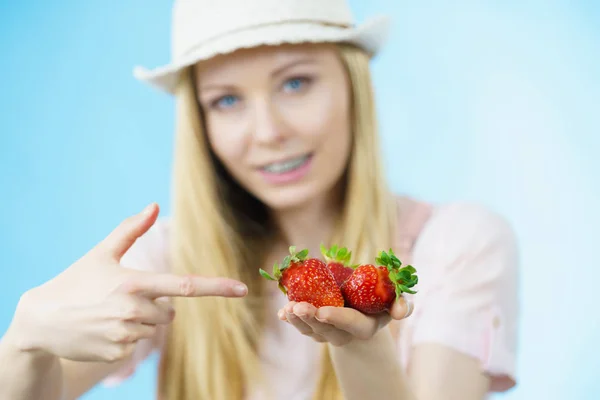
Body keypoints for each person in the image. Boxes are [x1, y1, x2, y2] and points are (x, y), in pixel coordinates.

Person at [0, 0, 520, 399]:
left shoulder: (457, 243)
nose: (267, 132)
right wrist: (26, 341)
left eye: (295, 82)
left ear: (353, 87)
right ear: (200, 124)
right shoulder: (170, 260)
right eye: (226, 100)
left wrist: (360, 348)